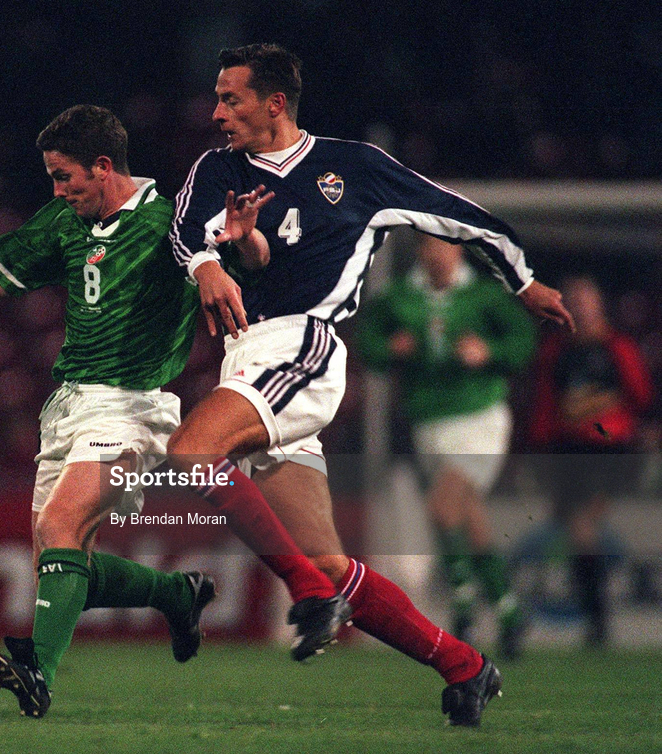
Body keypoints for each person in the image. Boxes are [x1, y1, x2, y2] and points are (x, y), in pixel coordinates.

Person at [0, 104, 353, 719]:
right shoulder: (64, 219)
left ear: (102, 167)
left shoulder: (170, 219)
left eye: (65, 177)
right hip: (68, 406)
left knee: (61, 529)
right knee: (59, 565)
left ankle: (37, 672)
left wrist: (245, 240)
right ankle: (175, 595)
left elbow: (244, 260)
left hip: (134, 409)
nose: (57, 190)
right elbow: (6, 273)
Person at [168, 43, 574, 727]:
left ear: (275, 102)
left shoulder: (355, 168)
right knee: (328, 562)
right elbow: (187, 231)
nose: (216, 112)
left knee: (188, 454)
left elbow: (456, 214)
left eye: (229, 98)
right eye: (215, 96)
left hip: (303, 345)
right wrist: (220, 255)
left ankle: (304, 594)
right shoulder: (218, 168)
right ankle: (464, 666)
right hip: (248, 360)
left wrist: (523, 279)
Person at [357, 234, 536, 658]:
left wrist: (489, 350)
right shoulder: (401, 296)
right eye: (428, 246)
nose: (435, 253)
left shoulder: (484, 295)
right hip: (428, 422)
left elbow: (524, 341)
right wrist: (390, 348)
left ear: (458, 250)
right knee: (466, 514)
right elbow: (368, 344)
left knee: (442, 505)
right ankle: (508, 610)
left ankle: (462, 603)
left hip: (479, 417)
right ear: (421, 251)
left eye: (443, 246)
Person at [529, 276, 653, 647]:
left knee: (583, 524)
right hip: (570, 452)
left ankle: (598, 615)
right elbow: (546, 407)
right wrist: (539, 451)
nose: (581, 307)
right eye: (575, 300)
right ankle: (594, 612)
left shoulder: (618, 348)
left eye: (587, 300)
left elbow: (641, 396)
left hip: (609, 450)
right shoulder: (556, 351)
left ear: (599, 305)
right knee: (575, 530)